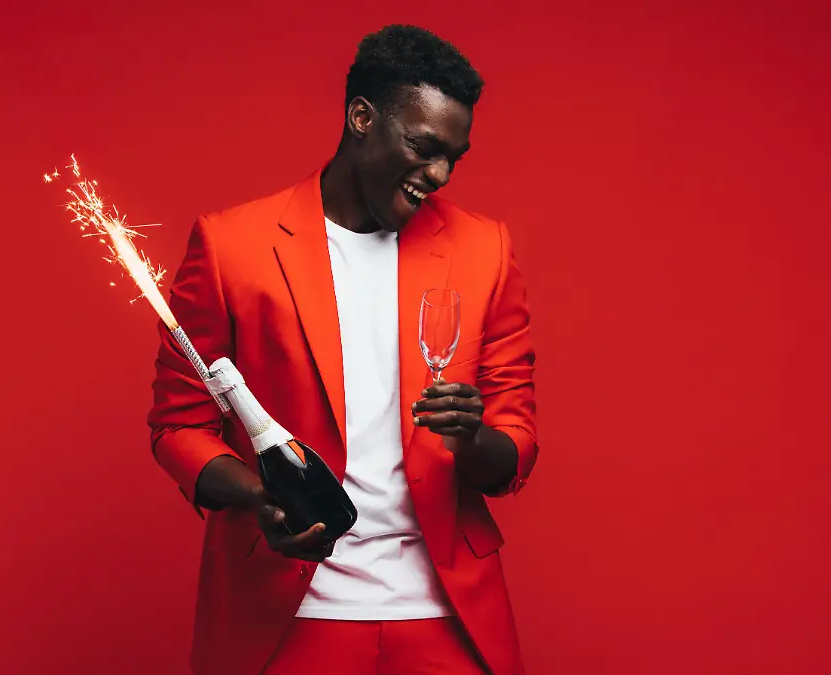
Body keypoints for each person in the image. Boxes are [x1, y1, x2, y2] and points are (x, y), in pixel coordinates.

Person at [147, 24, 538, 675]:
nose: (439, 175)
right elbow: (178, 425)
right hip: (288, 615)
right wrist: (261, 495)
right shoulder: (231, 247)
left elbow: (516, 441)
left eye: (453, 158)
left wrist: (471, 438)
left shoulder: (484, 250)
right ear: (361, 117)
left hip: (445, 615)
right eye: (423, 147)